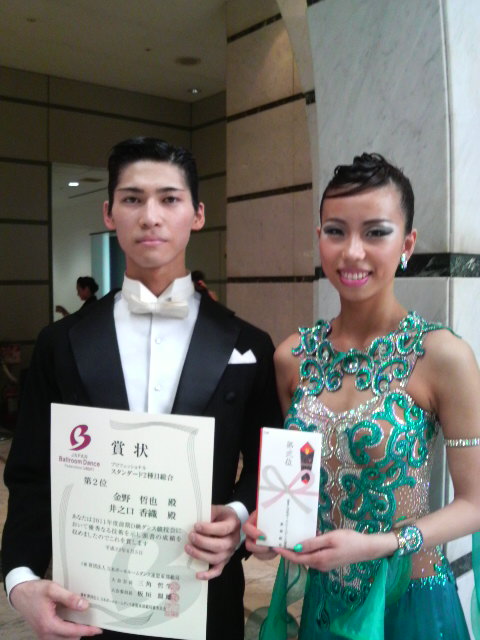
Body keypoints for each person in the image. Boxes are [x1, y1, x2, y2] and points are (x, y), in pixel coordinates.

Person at [2, 137, 282, 640]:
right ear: (109, 213)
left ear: (197, 214)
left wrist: (239, 518)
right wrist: (19, 578)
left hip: (206, 598)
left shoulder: (249, 344)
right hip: (88, 605)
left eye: (169, 199)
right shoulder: (60, 343)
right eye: (132, 199)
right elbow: (30, 474)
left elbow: (267, 461)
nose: (150, 216)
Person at [244, 153, 480, 639]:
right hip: (325, 602)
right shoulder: (292, 357)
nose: (353, 252)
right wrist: (272, 533)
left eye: (375, 232)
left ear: (407, 243)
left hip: (411, 601)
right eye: (336, 231)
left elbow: (475, 503)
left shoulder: (442, 356)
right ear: (319, 239)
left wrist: (384, 544)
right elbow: (299, 488)